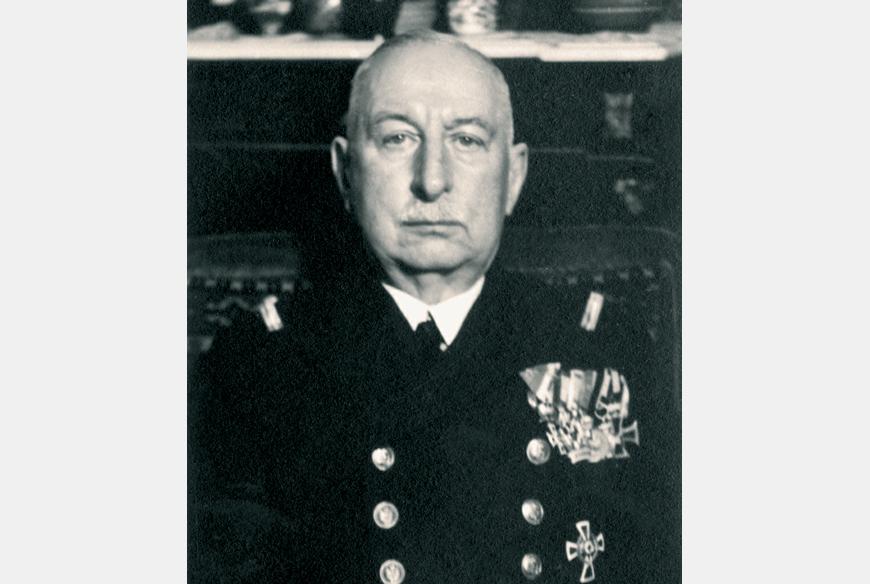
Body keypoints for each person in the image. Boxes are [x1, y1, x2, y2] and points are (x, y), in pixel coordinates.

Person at [190, 30, 679, 584]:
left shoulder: (603, 345)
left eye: (467, 140)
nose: (432, 180)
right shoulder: (259, 364)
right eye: (398, 138)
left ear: (513, 176)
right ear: (346, 172)